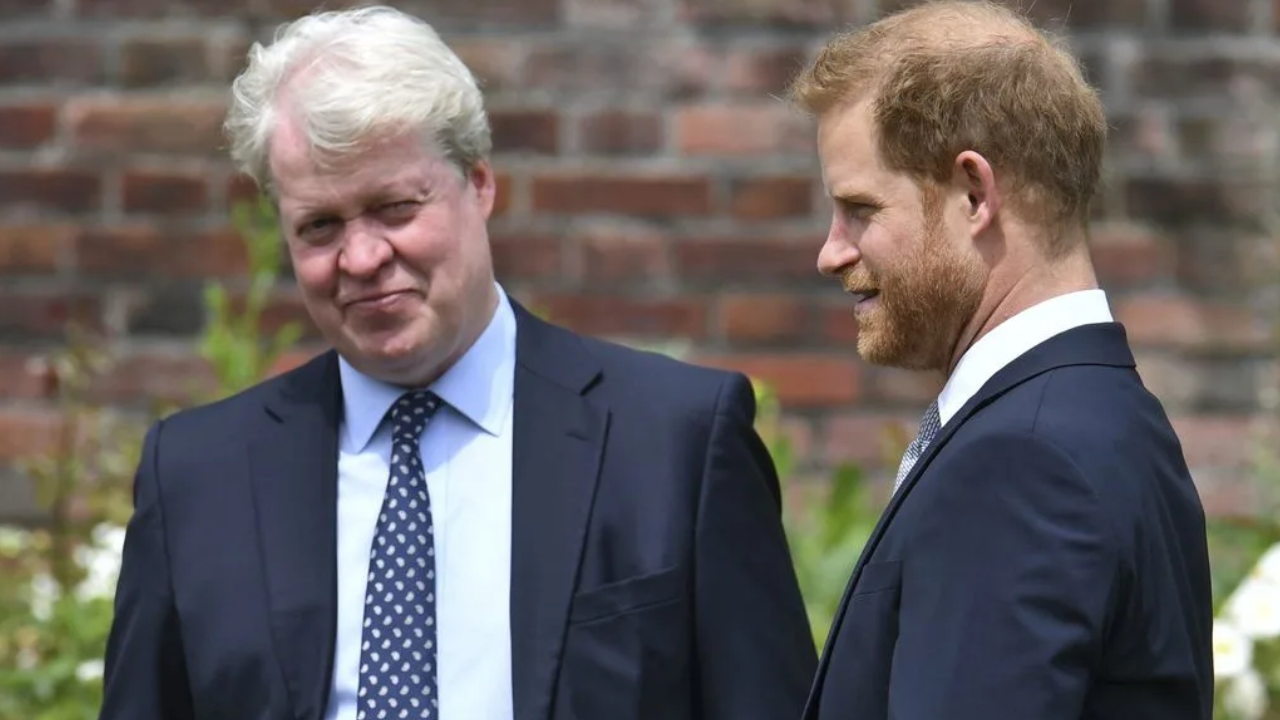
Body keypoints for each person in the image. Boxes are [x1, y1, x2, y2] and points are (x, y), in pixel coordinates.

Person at [97, 6, 817, 720]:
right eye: (320, 225)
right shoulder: (198, 475)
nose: (364, 257)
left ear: (478, 183)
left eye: (395, 208)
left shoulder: (673, 442)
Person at [785, 2, 1213, 719]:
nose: (831, 252)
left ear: (974, 193)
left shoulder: (1021, 461)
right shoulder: (1101, 419)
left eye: (860, 209)